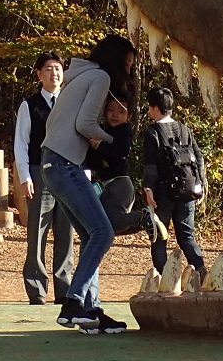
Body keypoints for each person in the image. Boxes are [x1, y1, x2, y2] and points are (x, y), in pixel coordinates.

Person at [41, 33, 138, 334]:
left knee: (90, 235)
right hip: (65, 164)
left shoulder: (77, 77)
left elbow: (55, 124)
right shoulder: (100, 78)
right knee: (103, 232)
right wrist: (116, 142)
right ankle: (73, 304)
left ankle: (91, 310)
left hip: (52, 164)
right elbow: (84, 125)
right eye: (127, 63)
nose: (129, 70)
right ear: (116, 59)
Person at [14, 51, 74, 307]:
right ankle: (37, 289)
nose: (54, 73)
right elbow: (20, 142)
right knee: (37, 232)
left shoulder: (72, 102)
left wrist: (84, 173)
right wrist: (25, 176)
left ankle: (65, 289)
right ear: (39, 74)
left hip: (70, 172)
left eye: (58, 68)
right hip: (40, 172)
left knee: (66, 232)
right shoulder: (29, 105)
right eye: (48, 68)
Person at [141, 86, 207, 281]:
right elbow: (199, 157)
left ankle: (166, 278)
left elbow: (151, 164)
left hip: (163, 192)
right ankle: (202, 273)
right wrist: (200, 185)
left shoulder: (152, 133)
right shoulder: (184, 129)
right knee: (187, 236)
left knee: (160, 235)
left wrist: (148, 188)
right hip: (188, 190)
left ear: (154, 108)